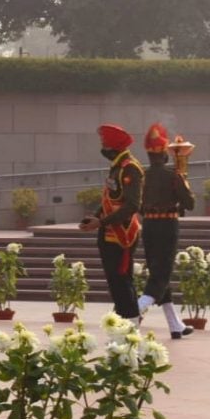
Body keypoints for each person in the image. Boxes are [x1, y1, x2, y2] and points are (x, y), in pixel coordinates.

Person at [80, 124, 143, 323]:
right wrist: (96, 217)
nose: (102, 148)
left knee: (121, 280)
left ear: (113, 146)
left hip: (121, 233)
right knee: (116, 281)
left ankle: (131, 320)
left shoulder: (130, 168)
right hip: (109, 231)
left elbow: (132, 205)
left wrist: (101, 222)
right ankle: (123, 317)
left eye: (104, 143)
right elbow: (111, 198)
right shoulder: (117, 166)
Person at [138, 123, 196, 339]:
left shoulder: (142, 175)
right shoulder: (173, 175)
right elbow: (189, 203)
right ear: (165, 154)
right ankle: (130, 315)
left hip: (149, 227)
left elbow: (137, 205)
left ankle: (175, 325)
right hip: (167, 227)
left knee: (159, 273)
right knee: (160, 275)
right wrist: (183, 178)